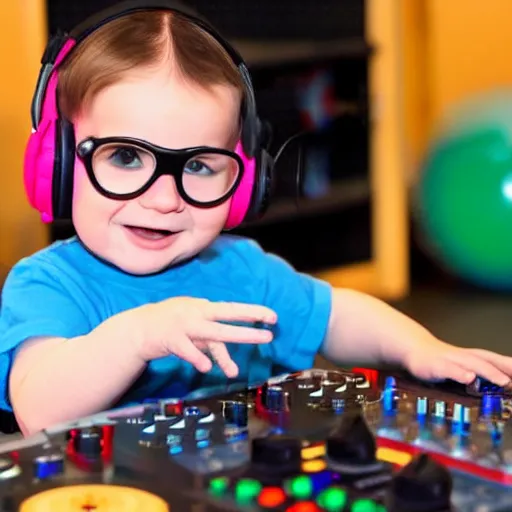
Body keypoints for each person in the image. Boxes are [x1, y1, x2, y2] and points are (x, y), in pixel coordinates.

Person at [1, 0, 512, 437]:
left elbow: (335, 315)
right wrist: (137, 336)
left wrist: (419, 349)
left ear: (244, 184)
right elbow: (40, 409)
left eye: (199, 166)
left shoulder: (240, 269)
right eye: (126, 157)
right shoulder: (49, 285)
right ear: (59, 162)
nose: (162, 199)